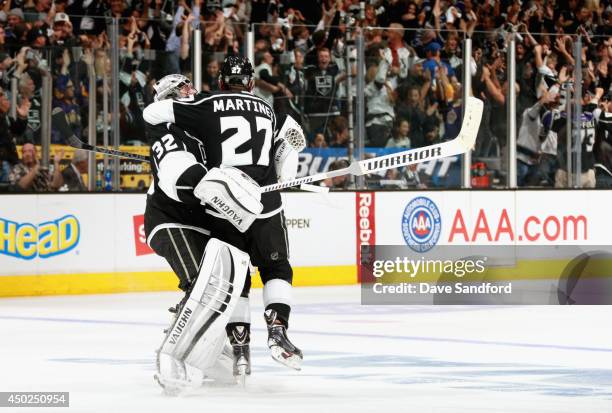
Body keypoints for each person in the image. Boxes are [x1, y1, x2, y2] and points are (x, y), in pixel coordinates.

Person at [143, 58, 303, 384]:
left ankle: (238, 351)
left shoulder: (200, 113)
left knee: (231, 282)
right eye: (183, 88)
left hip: (217, 212)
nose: (191, 90)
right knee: (218, 282)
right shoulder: (260, 108)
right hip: (177, 218)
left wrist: (221, 186)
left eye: (190, 85)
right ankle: (181, 355)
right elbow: (182, 180)